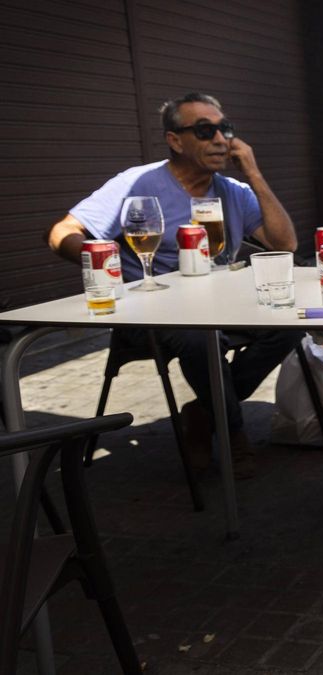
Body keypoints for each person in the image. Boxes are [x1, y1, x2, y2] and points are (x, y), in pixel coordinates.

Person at [46, 92, 300, 479]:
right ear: (175, 140)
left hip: (223, 306)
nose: (219, 139)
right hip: (154, 314)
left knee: (291, 322)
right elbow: (61, 232)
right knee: (201, 338)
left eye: (224, 129)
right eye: (204, 130)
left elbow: (285, 245)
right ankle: (233, 434)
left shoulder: (234, 190)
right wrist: (103, 261)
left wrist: (254, 173)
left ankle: (202, 413)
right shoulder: (137, 183)